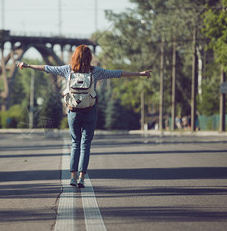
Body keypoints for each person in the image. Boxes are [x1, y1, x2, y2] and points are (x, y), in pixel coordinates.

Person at [16, 44, 153, 188]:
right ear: (90, 58)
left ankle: (73, 177)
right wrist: (140, 74)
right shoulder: (96, 72)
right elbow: (117, 73)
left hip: (73, 111)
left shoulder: (67, 70)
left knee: (75, 143)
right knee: (85, 145)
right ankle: (82, 177)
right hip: (89, 111)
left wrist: (28, 65)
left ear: (75, 56)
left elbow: (47, 67)